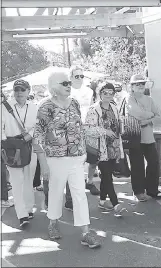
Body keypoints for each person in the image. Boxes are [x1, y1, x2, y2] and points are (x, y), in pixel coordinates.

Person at [33, 71, 100, 248]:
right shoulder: (45, 106)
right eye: (64, 83)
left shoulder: (75, 103)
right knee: (55, 192)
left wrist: (85, 149)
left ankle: (85, 232)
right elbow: (38, 134)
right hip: (56, 158)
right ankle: (53, 223)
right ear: (54, 86)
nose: (69, 85)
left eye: (69, 82)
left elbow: (80, 128)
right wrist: (43, 163)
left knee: (79, 195)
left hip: (76, 157)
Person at [84, 82, 125, 216]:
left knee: (107, 177)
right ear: (99, 93)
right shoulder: (93, 109)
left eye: (111, 93)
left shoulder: (114, 107)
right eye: (105, 92)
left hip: (113, 148)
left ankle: (102, 201)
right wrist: (104, 131)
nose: (108, 95)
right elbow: (87, 129)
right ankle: (116, 204)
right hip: (100, 149)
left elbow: (118, 124)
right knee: (107, 176)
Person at [1, 79, 37, 227]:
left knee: (29, 179)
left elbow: (39, 125)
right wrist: (4, 143)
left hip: (29, 146)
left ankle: (28, 208)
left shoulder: (34, 107)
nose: (19, 92)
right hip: (11, 148)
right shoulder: (4, 107)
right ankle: (21, 215)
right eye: (17, 90)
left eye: (22, 89)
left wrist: (30, 135)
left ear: (28, 91)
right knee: (16, 181)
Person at [64, 66, 100, 212]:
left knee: (93, 158)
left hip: (88, 129)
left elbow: (93, 108)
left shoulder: (89, 91)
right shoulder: (66, 91)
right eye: (76, 76)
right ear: (70, 77)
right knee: (72, 164)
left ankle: (89, 181)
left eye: (81, 76)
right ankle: (70, 199)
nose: (79, 78)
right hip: (71, 131)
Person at [126, 74, 161, 202]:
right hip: (134, 137)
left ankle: (152, 190)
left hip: (148, 137)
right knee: (137, 166)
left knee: (154, 162)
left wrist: (147, 120)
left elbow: (159, 116)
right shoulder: (128, 98)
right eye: (137, 84)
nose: (140, 86)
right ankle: (139, 192)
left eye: (142, 83)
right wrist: (150, 115)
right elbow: (136, 113)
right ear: (132, 86)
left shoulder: (149, 100)